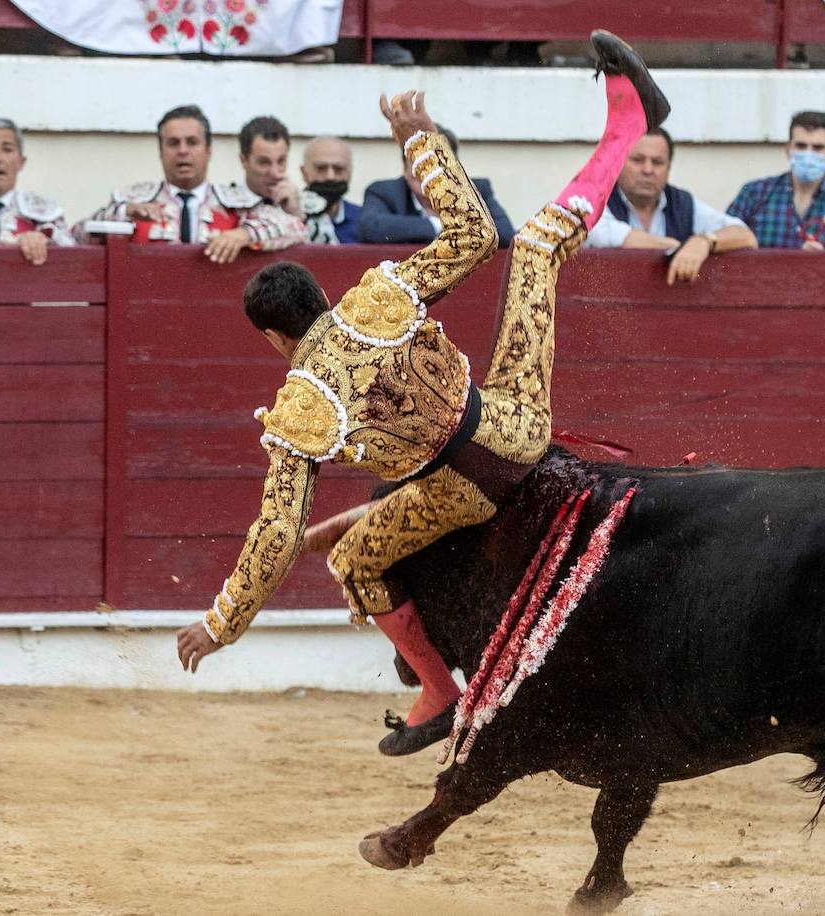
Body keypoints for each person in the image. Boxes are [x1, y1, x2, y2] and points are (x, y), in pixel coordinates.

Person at [173, 31, 669, 759]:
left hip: (461, 492)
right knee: (534, 246)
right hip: (515, 421)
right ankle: (627, 124)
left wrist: (220, 623)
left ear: (275, 341)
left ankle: (440, 690)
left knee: (355, 561)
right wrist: (421, 143)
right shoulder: (380, 295)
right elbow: (475, 234)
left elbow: (275, 538)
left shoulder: (302, 406)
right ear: (320, 296)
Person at [73, 105, 305, 263]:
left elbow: (296, 228)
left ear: (208, 150)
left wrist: (244, 235)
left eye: (192, 142)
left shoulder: (236, 202)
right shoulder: (135, 201)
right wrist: (123, 211)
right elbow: (78, 234)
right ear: (161, 151)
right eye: (174, 143)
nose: (183, 151)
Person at [584, 127, 757, 284]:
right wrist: (679, 246)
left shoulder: (681, 202)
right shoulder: (595, 199)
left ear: (668, 168)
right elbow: (602, 233)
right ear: (619, 162)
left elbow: (746, 236)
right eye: (637, 160)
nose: (648, 170)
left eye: (658, 162)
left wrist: (704, 242)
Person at [726, 110, 825, 250]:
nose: (808, 154)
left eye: (818, 148)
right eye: (801, 146)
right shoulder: (754, 194)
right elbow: (725, 240)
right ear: (789, 150)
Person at [357, 125, 514, 246]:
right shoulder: (384, 192)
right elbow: (370, 228)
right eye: (417, 160)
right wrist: (440, 225)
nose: (425, 170)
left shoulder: (476, 190)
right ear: (404, 167)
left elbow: (503, 232)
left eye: (436, 160)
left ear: (455, 168)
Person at [0, 117, 75, 265]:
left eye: (7, 149)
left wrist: (42, 238)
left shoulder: (44, 210)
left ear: (21, 162)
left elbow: (71, 253)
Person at [237, 115, 306, 225]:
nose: (275, 173)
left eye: (281, 161)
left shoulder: (307, 204)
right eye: (264, 162)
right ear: (243, 161)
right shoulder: (222, 207)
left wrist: (296, 214)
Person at [299, 136, 363, 245]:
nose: (330, 176)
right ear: (304, 173)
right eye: (321, 168)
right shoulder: (288, 219)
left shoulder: (364, 221)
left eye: (338, 169)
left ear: (350, 173)